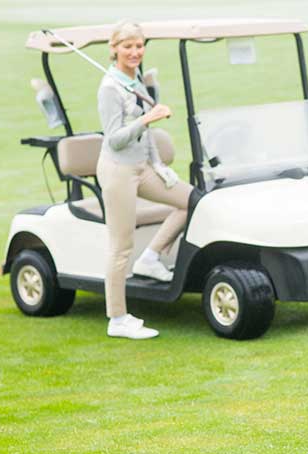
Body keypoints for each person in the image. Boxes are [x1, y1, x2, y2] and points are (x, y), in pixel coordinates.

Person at [96, 20, 193, 339]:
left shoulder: (134, 78)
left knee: (192, 201)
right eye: (128, 46)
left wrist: (159, 166)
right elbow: (114, 139)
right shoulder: (110, 87)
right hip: (119, 171)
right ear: (114, 49)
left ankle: (151, 256)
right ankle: (117, 319)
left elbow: (145, 136)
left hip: (142, 167)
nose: (135, 52)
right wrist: (147, 117)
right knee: (121, 245)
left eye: (139, 46)